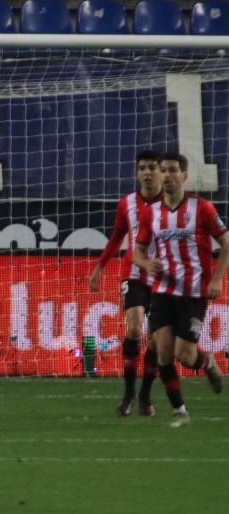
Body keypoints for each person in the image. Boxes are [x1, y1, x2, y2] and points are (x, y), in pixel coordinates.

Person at [132, 152, 228, 428]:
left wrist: (217, 280)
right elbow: (137, 252)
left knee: (184, 356)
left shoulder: (203, 209)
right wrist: (147, 263)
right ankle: (180, 412)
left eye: (173, 170)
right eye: (164, 170)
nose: (168, 175)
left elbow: (226, 243)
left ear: (184, 176)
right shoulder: (152, 213)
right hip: (163, 292)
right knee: (162, 352)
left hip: (194, 294)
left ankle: (207, 362)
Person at [88, 150, 163, 417]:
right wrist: (99, 267)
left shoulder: (171, 204)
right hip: (133, 274)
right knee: (133, 329)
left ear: (161, 172)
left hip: (164, 277)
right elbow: (117, 237)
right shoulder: (126, 203)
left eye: (152, 167)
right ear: (136, 172)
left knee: (155, 341)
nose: (147, 172)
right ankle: (129, 393)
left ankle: (145, 395)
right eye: (142, 167)